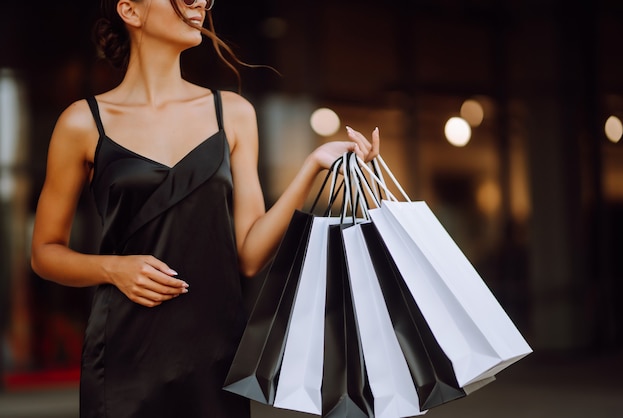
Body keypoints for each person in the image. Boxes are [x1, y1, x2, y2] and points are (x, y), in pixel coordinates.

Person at [30, 0, 380, 417]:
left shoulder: (232, 113)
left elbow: (249, 256)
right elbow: (44, 252)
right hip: (123, 358)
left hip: (213, 355)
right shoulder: (82, 122)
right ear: (131, 11)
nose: (199, 2)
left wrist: (311, 168)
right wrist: (113, 268)